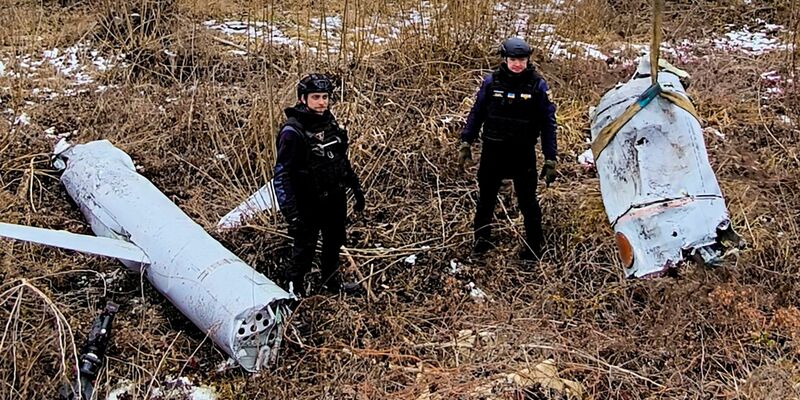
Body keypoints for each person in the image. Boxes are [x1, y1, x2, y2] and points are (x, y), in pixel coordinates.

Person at [458, 37, 558, 260]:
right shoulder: (491, 82)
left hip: (522, 154)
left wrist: (551, 158)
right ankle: (481, 243)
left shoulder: (537, 86)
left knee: (527, 202)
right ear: (505, 59)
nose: (517, 64)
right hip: (493, 151)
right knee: (486, 200)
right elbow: (477, 113)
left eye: (522, 60)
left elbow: (548, 124)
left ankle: (533, 250)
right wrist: (466, 141)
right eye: (513, 59)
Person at [273, 73, 365, 297]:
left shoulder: (329, 121)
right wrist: (292, 214)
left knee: (333, 243)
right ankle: (294, 292)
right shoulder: (292, 132)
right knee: (304, 248)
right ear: (303, 99)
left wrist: (355, 188)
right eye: (316, 97)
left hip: (334, 197)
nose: (322, 102)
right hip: (308, 202)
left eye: (325, 96)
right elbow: (282, 175)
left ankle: (331, 285)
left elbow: (340, 159)